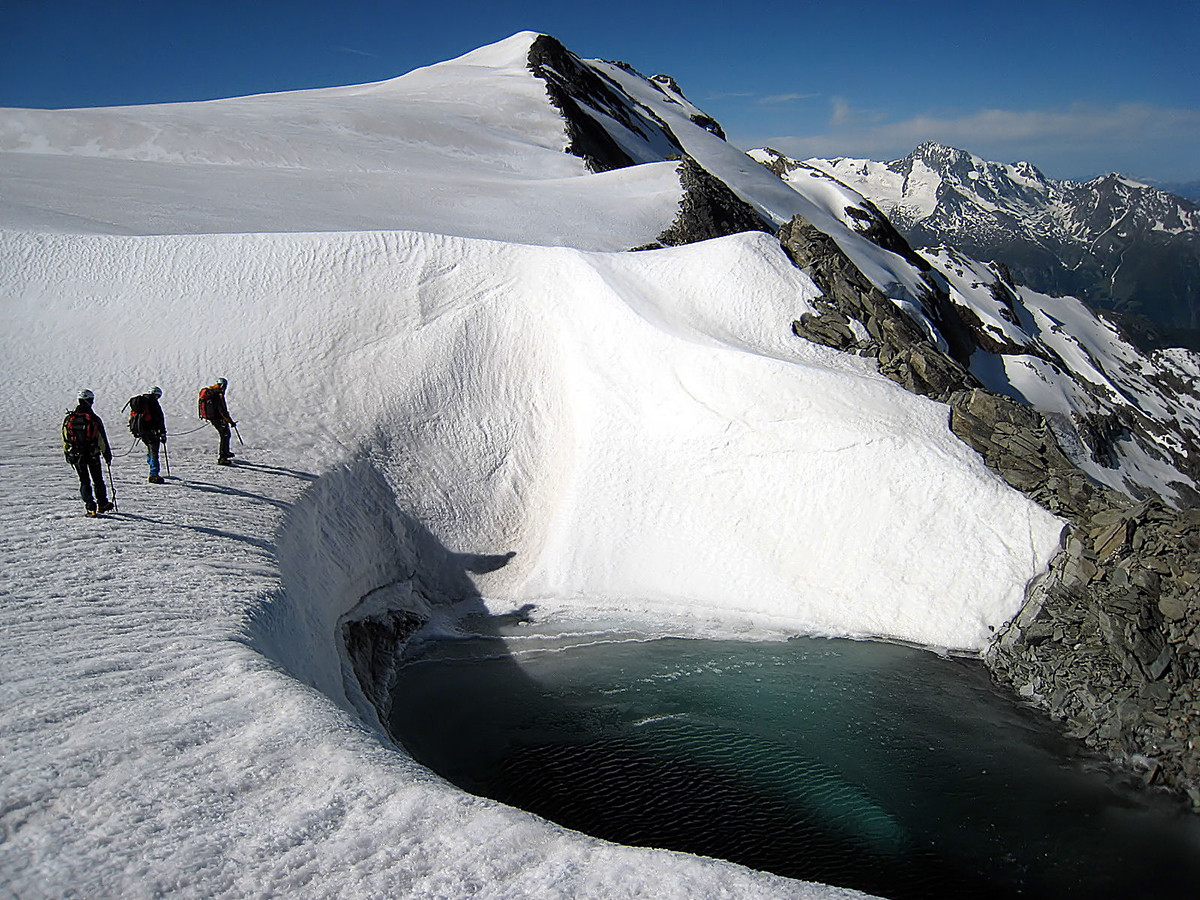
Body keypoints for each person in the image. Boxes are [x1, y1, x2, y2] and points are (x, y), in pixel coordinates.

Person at [62, 389, 113, 516]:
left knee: (84, 481)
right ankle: (102, 503)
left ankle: (90, 507)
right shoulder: (94, 418)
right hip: (92, 454)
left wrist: (67, 453)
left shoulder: (69, 418)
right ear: (90, 401)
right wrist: (107, 455)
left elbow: (65, 437)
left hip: (76, 454)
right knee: (97, 479)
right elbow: (102, 439)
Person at [129, 385, 167, 483]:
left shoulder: (141, 402)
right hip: (152, 432)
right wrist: (162, 433)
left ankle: (151, 467)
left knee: (150, 449)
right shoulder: (153, 403)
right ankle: (153, 474)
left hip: (141, 431)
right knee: (154, 451)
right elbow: (159, 419)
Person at [198, 377, 236, 466]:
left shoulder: (211, 392)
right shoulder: (217, 395)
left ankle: (225, 452)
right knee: (225, 435)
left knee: (225, 434)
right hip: (218, 418)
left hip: (214, 418)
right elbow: (222, 410)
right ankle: (222, 457)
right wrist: (230, 421)